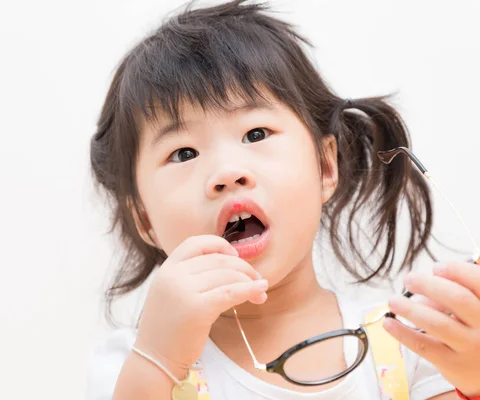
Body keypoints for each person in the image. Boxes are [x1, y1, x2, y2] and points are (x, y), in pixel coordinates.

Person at [86, 1, 480, 399]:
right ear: (145, 219)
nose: (226, 173)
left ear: (325, 167)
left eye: (256, 133)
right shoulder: (132, 366)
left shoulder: (411, 345)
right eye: (183, 153)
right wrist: (159, 359)